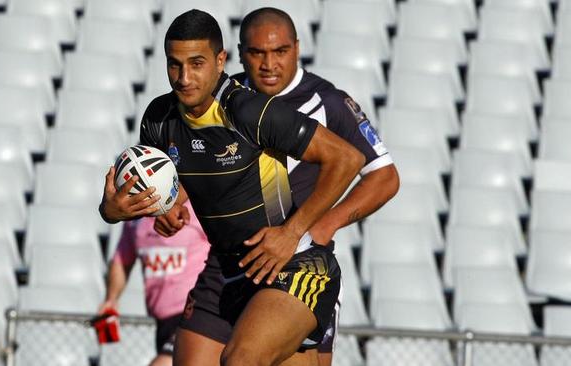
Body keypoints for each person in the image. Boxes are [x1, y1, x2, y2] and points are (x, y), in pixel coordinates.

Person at [99, 9, 365, 366]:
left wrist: (292, 232)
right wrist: (126, 212)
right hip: (226, 272)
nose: (184, 77)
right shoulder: (159, 119)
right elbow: (174, 188)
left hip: (293, 266)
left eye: (196, 63)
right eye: (174, 65)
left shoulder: (250, 111)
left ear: (220, 60)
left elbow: (347, 159)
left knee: (240, 361)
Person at [176, 7, 400, 366]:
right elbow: (194, 159)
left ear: (296, 48)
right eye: (257, 53)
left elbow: (385, 177)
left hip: (296, 267)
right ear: (238, 52)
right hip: (226, 266)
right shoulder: (220, 98)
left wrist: (318, 226)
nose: (269, 64)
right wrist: (175, 202)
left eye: (280, 51)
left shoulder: (328, 102)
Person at [97, 200, 210, 366]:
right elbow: (122, 260)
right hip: (163, 321)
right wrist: (111, 299)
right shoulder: (135, 219)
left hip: (196, 312)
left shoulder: (196, 206)